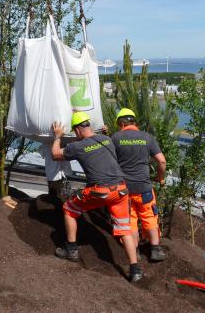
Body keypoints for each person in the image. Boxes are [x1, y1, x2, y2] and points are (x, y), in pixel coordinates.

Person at [51, 111, 142, 282]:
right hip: (121, 191)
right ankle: (135, 269)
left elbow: (55, 154)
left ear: (77, 130)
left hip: (100, 191)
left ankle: (71, 249)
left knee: (69, 208)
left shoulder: (77, 147)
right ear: (89, 125)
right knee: (124, 230)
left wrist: (58, 136)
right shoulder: (107, 140)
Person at [111, 108, 167, 261]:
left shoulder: (115, 138)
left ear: (121, 124)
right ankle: (155, 250)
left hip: (124, 189)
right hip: (144, 188)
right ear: (134, 122)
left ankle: (134, 251)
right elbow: (161, 161)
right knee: (149, 216)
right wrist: (159, 177)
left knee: (131, 220)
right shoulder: (147, 138)